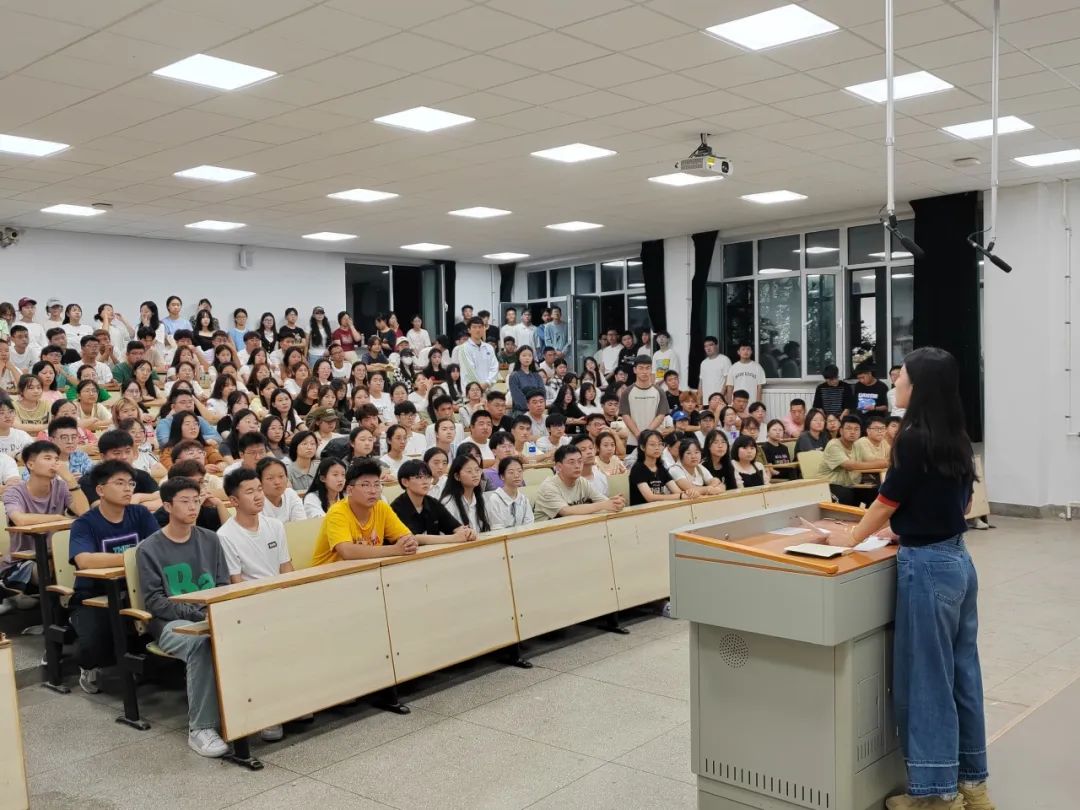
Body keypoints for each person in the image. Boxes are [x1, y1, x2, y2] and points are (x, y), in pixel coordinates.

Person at [822, 347, 990, 810]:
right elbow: (956, 504)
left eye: (901, 376)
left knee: (927, 679)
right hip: (957, 561)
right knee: (962, 673)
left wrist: (851, 537)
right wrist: (908, 527)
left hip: (928, 567)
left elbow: (886, 501)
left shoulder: (912, 437)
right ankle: (973, 784)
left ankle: (936, 794)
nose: (894, 381)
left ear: (918, 387)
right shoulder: (955, 435)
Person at [138, 477, 231, 758]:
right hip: (170, 624)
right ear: (167, 506)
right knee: (200, 643)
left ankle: (258, 713)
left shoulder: (211, 539)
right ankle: (201, 728)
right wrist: (197, 613)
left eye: (197, 501)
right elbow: (156, 602)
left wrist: (212, 611)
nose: (193, 507)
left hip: (210, 613)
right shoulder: (149, 548)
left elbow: (223, 583)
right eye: (185, 501)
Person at [67, 459, 158, 692]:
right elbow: (84, 560)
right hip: (93, 595)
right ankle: (88, 665)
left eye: (131, 483)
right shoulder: (85, 523)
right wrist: (133, 557)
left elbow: (158, 548)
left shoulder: (140, 513)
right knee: (95, 641)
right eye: (119, 483)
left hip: (137, 588)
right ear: (100, 490)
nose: (128, 488)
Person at [0, 441, 89, 615]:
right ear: (30, 464)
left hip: (57, 555)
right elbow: (20, 519)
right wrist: (57, 518)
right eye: (47, 458)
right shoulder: (15, 492)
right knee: (52, 570)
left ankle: (71, 616)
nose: (54, 463)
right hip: (22, 562)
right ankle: (54, 618)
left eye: (56, 459)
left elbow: (85, 513)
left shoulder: (61, 487)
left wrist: (70, 480)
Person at [310, 460, 416, 565]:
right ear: (349, 490)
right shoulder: (337, 512)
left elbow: (407, 537)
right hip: (328, 572)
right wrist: (394, 549)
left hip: (366, 569)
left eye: (377, 485)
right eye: (365, 485)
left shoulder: (381, 507)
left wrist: (408, 543)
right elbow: (347, 551)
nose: (373, 491)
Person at [390, 460, 477, 543]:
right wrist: (453, 538)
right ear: (405, 482)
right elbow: (413, 538)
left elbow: (454, 527)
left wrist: (467, 532)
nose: (425, 482)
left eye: (428, 477)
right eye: (419, 477)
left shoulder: (433, 503)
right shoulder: (396, 508)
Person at [532, 444, 624, 521]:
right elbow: (566, 511)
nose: (577, 466)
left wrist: (615, 502)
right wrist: (603, 505)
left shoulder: (582, 481)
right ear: (559, 467)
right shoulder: (549, 487)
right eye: (571, 462)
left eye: (580, 461)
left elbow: (603, 501)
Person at [80, 430, 161, 510]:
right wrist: (135, 504)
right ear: (103, 457)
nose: (124, 457)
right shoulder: (89, 480)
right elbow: (103, 509)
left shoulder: (142, 475)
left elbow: (161, 500)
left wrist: (138, 497)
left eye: (127, 451)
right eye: (117, 453)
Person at [820, 415, 887, 506]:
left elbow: (872, 460)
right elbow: (849, 466)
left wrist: (885, 462)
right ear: (841, 431)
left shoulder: (857, 445)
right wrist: (883, 463)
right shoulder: (833, 444)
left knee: (877, 493)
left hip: (851, 485)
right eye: (849, 428)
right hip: (829, 485)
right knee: (847, 495)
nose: (852, 432)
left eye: (856, 429)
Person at [618, 356, 669, 455]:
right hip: (633, 441)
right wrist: (638, 435)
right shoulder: (627, 392)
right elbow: (625, 415)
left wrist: (647, 434)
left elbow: (661, 414)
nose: (644, 372)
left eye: (647, 368)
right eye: (641, 368)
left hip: (655, 441)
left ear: (651, 369)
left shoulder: (659, 391)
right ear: (635, 370)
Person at [629, 430, 686, 506]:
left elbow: (677, 491)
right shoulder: (638, 468)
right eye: (652, 444)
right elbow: (650, 498)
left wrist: (689, 493)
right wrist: (680, 496)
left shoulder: (660, 467)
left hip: (659, 508)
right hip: (641, 510)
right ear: (642, 447)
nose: (657, 448)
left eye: (660, 444)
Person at [438, 454, 491, 533]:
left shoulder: (483, 498)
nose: (475, 474)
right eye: (469, 471)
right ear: (457, 476)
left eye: (477, 470)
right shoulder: (448, 502)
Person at [484, 456, 533, 529]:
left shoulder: (524, 499)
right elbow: (497, 528)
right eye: (511, 472)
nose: (516, 475)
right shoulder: (494, 500)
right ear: (502, 476)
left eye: (519, 471)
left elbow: (529, 523)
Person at [455, 316, 499, 390]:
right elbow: (469, 370)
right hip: (471, 391)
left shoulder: (489, 348)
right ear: (469, 330)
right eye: (474, 327)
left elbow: (495, 367)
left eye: (480, 327)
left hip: (488, 389)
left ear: (484, 329)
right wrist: (479, 387)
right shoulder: (463, 348)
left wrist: (487, 383)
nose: (478, 330)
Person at [256, 456, 305, 522]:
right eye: (270, 478)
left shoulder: (290, 494)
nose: (277, 482)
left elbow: (301, 523)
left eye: (281, 476)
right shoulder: (256, 501)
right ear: (259, 481)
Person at [508, 347, 544, 413]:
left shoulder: (537, 376)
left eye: (530, 355)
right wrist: (531, 408)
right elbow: (518, 398)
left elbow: (543, 393)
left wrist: (538, 406)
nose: (527, 358)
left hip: (537, 410)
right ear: (519, 357)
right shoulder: (514, 376)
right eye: (524, 355)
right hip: (521, 412)